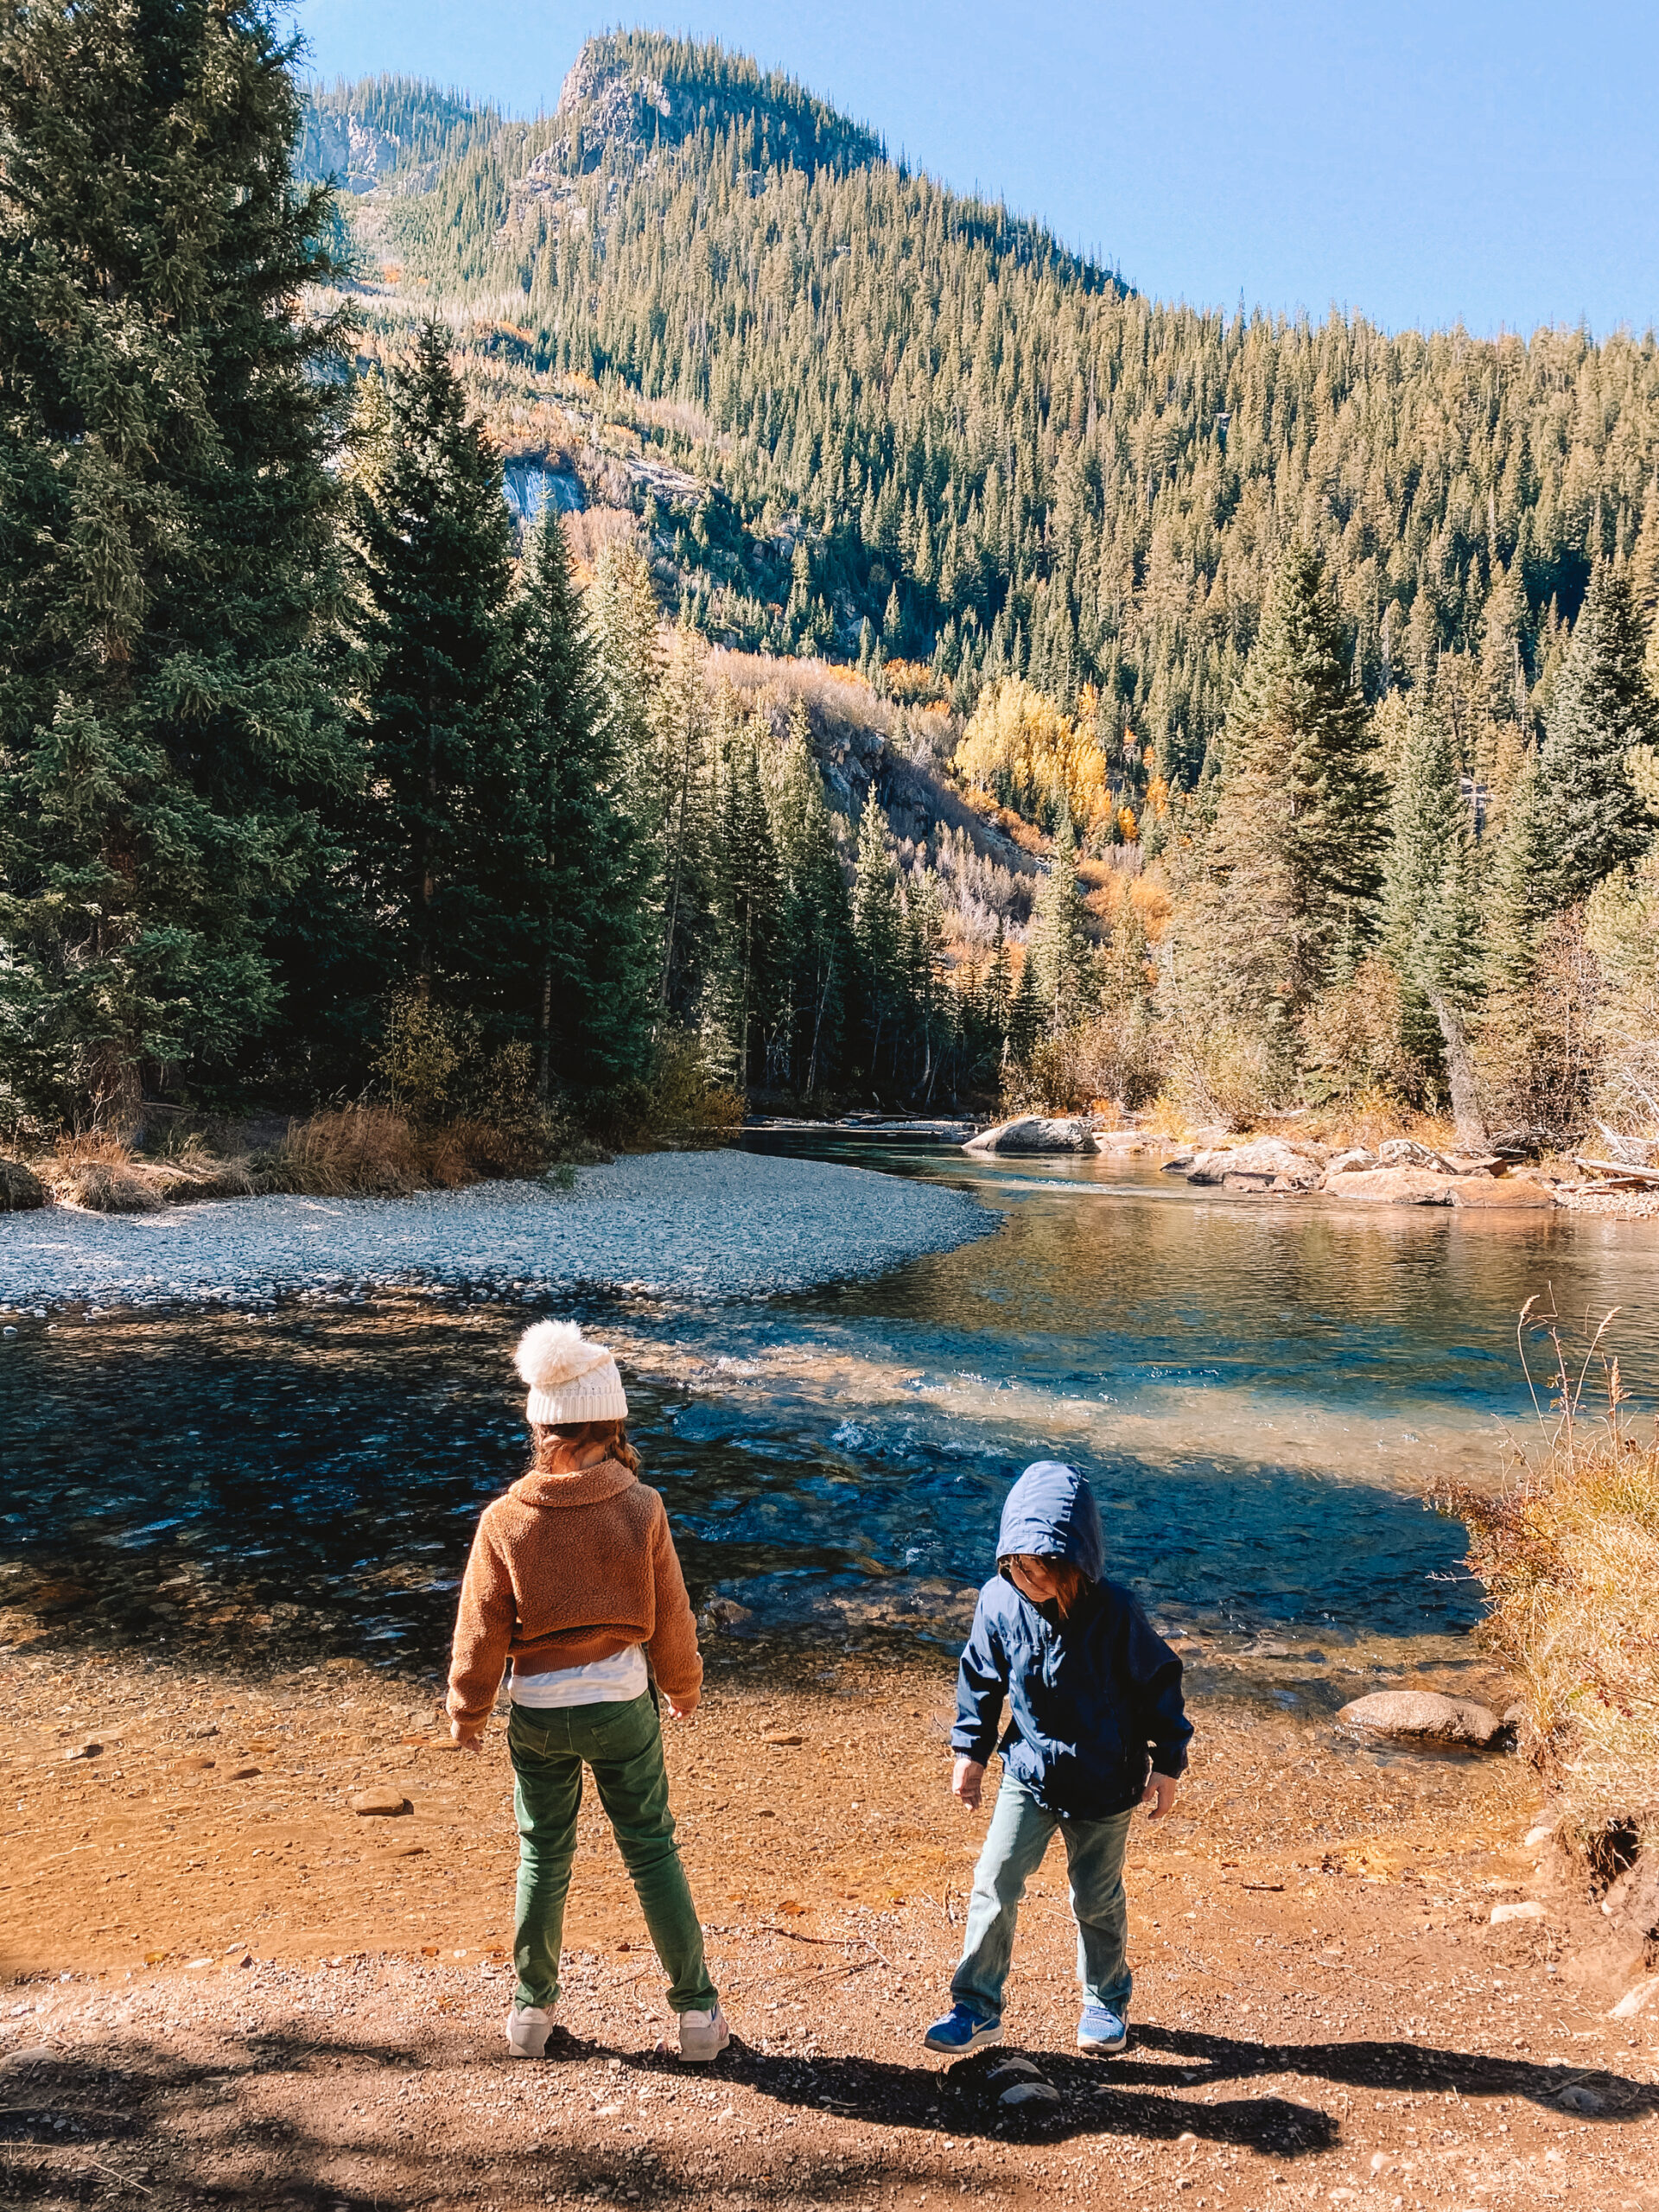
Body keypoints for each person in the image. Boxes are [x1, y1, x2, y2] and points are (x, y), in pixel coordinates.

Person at [447, 1319, 729, 2063]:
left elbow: (478, 1631)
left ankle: (530, 2014)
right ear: (611, 1427)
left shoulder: (504, 1520)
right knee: (651, 1850)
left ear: (542, 1428)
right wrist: (682, 1684)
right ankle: (697, 2015)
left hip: (537, 1712)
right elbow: (672, 1612)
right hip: (619, 1707)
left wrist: (468, 1711)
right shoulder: (642, 1506)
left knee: (543, 1855)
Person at [925, 1459, 1192, 2060]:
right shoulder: (998, 1599)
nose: (1028, 1579)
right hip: (1029, 1772)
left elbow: (1160, 1687)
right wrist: (969, 1753)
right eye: (1017, 1566)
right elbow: (980, 1680)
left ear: (1075, 1564)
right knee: (994, 1881)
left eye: (1041, 1570)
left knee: (1095, 1898)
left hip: (1104, 1782)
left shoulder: (1116, 1612)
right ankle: (976, 2006)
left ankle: (1105, 2001)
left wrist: (1168, 1764)